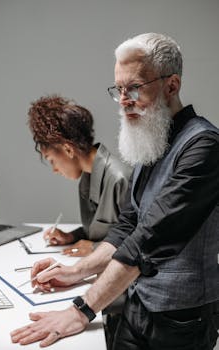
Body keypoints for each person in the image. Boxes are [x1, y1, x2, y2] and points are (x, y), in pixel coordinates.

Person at [11, 33, 219, 350]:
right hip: (136, 307)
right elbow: (128, 225)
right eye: (119, 89)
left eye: (134, 87)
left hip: (181, 321)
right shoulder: (154, 140)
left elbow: (150, 237)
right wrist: (75, 272)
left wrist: (81, 309)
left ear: (172, 85)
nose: (124, 100)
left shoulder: (204, 145)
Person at [27, 95, 132, 257]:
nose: (54, 169)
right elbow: (101, 233)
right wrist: (72, 236)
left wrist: (94, 248)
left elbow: (139, 243)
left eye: (52, 160)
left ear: (68, 150)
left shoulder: (121, 179)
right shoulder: (87, 178)